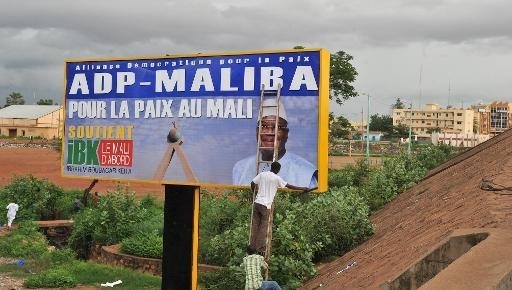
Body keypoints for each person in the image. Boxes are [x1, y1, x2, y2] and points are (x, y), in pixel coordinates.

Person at [232, 97, 318, 188]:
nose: (269, 133)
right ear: (257, 132)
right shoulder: (240, 168)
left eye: (277, 127)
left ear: (286, 134)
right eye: (264, 126)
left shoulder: (306, 172)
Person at [249, 161, 308, 252]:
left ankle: (252, 246)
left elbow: (252, 183)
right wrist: (303, 188)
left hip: (257, 203)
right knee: (263, 228)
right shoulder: (277, 178)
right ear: (278, 170)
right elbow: (289, 186)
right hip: (266, 205)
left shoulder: (262, 174)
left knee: (255, 225)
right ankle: (260, 248)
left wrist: (255, 192)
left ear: (271, 167)